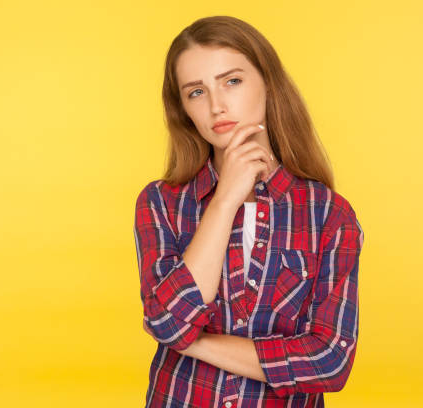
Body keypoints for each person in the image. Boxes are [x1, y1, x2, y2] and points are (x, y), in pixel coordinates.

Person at [133, 15, 364, 408]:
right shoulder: (161, 202)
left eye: (232, 81)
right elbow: (169, 322)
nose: (217, 105)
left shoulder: (328, 214)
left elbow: (329, 361)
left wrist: (196, 342)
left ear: (268, 84)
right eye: (196, 92)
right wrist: (224, 201)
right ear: (184, 109)